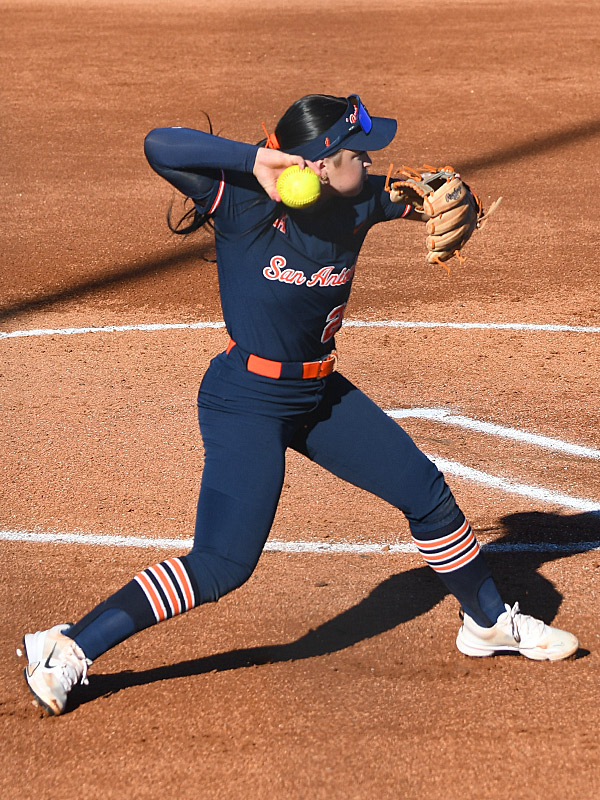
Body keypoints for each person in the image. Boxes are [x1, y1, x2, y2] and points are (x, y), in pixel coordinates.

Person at [19, 93, 578, 716]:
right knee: (222, 563)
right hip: (246, 402)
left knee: (425, 492)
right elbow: (160, 143)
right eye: (358, 152)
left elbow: (420, 192)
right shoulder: (243, 203)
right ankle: (69, 646)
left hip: (318, 396)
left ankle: (489, 622)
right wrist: (258, 160)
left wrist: (454, 195)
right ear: (316, 163)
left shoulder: (360, 197)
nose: (369, 162)